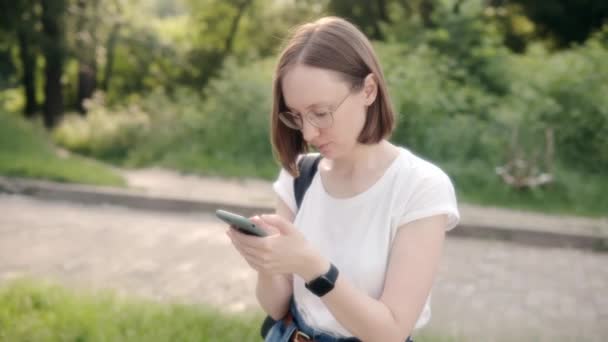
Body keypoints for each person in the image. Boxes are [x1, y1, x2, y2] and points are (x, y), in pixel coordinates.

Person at [225, 16, 460, 342]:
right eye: (296, 116)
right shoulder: (299, 175)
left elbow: (390, 332)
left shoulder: (420, 187)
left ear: (368, 89)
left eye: (320, 113)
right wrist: (267, 262)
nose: (308, 132)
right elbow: (276, 308)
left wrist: (313, 267)